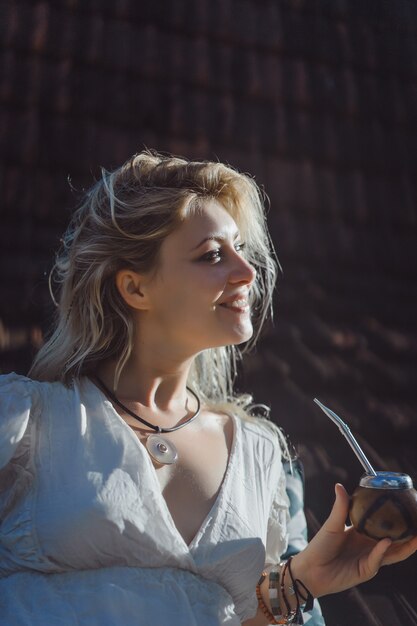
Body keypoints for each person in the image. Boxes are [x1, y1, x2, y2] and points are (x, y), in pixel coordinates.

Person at [0, 150, 416, 626]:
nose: (247, 272)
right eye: (213, 254)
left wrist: (302, 581)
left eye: (241, 248)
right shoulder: (25, 424)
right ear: (135, 289)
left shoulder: (261, 459)